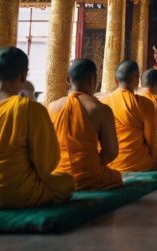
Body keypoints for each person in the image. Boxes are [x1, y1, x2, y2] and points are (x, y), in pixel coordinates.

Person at [0, 46, 73, 209]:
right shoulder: (31, 109)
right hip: (16, 192)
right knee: (66, 181)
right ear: (24, 75)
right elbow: (48, 163)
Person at [47, 59, 122, 191]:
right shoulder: (100, 109)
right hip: (89, 176)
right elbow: (111, 152)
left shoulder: (52, 107)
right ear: (93, 80)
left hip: (58, 176)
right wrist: (92, 165)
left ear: (68, 79)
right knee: (116, 176)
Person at [100, 61, 157, 172]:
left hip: (109, 162)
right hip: (138, 161)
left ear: (115, 80)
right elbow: (151, 138)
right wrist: (155, 156)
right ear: (137, 79)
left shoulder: (103, 102)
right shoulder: (146, 103)